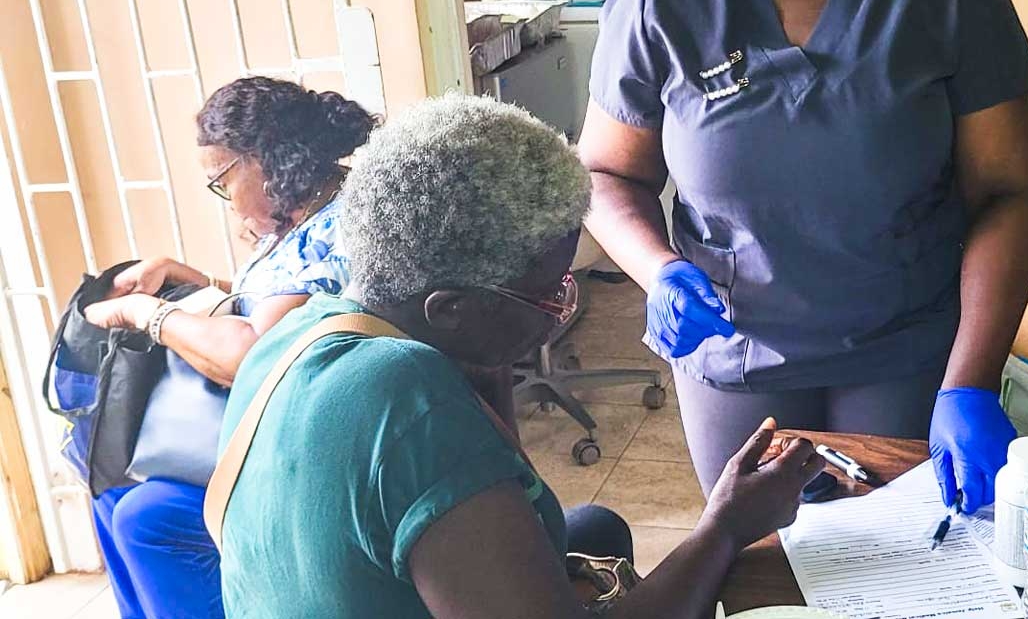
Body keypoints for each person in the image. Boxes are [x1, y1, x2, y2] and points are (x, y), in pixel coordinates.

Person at [578, 0, 1028, 513]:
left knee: (900, 577)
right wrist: (657, 269)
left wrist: (969, 379)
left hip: (906, 346)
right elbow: (607, 172)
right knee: (768, 575)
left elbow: (1010, 189)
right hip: (735, 354)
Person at [214, 94, 824, 618]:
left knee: (594, 527)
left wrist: (493, 346)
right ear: (450, 309)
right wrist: (726, 527)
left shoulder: (294, 336)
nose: (561, 309)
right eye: (546, 291)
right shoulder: (410, 398)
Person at [80, 76, 376, 619]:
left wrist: (146, 313)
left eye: (221, 180)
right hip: (275, 418)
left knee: (146, 518)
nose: (224, 199)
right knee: (107, 483)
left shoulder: (344, 226)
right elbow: (275, 307)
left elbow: (256, 354)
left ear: (266, 161)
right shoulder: (303, 213)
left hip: (317, 439)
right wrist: (187, 276)